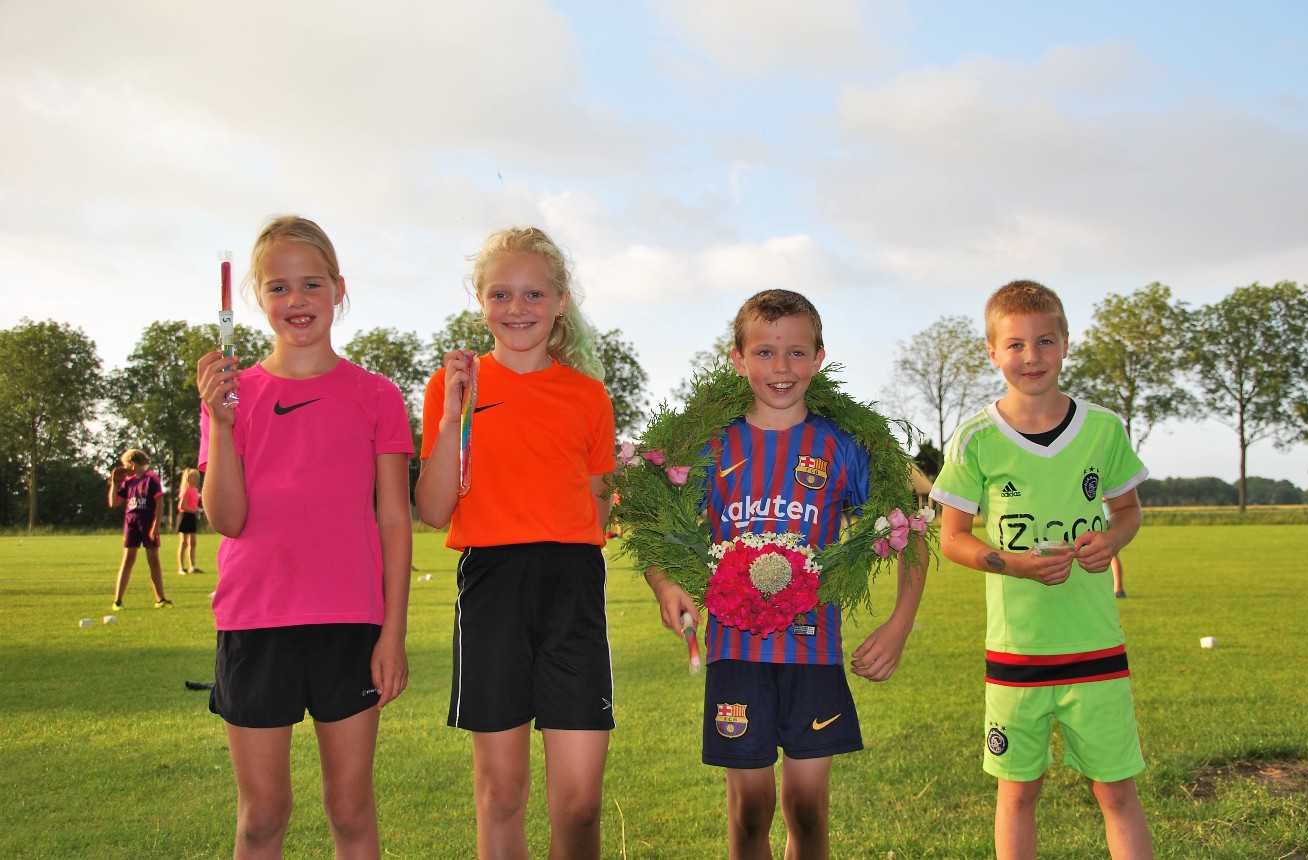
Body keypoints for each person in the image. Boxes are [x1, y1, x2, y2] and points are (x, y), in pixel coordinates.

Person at [646, 289, 927, 860]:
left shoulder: (841, 445)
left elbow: (911, 529)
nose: (782, 367)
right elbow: (659, 527)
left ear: (819, 359)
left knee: (807, 809)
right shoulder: (710, 446)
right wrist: (664, 583)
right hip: (735, 649)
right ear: (738, 359)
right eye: (765, 352)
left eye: (797, 352)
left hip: (812, 650)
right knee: (750, 811)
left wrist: (900, 624)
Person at [196, 215, 413, 859]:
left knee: (350, 809)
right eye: (279, 287)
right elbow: (227, 519)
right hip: (255, 621)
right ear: (256, 298)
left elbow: (394, 520)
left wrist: (392, 633)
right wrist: (219, 424)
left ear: (339, 289)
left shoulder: (376, 395)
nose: (297, 299)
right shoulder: (232, 396)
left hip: (350, 623)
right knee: (262, 816)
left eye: (312, 283)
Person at [930, 280, 1153, 860]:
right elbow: (951, 538)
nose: (1031, 356)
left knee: (1116, 791)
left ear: (1066, 344)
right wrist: (1014, 565)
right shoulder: (976, 437)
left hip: (1095, 645)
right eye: (1015, 344)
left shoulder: (1103, 428)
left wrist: (1111, 539)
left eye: (1045, 341)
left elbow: (1128, 511)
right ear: (993, 352)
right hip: (1018, 651)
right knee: (1018, 793)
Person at [416, 226, 616, 860]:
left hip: (572, 589)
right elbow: (432, 510)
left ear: (560, 301)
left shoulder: (588, 395)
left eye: (533, 293)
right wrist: (453, 416)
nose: (517, 307)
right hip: (493, 589)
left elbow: (600, 503)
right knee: (502, 794)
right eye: (500, 293)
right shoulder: (452, 386)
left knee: (580, 805)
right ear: (481, 301)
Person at [108, 448, 171, 610]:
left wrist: (156, 525)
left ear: (132, 464)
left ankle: (160, 598)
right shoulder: (129, 482)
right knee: (128, 559)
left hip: (148, 522)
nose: (124, 469)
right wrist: (115, 484)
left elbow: (159, 503)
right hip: (131, 523)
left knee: (153, 559)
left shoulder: (151, 479)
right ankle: (118, 600)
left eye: (125, 465)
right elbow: (113, 503)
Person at [176, 466, 203, 575]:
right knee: (184, 543)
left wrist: (197, 510)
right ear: (189, 478)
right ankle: (181, 567)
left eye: (197, 477)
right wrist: (194, 510)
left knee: (193, 542)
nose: (196, 479)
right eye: (194, 477)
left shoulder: (196, 490)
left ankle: (192, 566)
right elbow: (181, 506)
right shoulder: (186, 490)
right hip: (185, 516)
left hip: (192, 517)